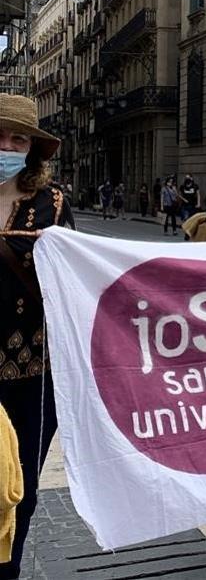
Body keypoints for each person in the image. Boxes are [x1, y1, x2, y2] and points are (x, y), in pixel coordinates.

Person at [0, 93, 74, 579]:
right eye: (0, 135)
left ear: (32, 149)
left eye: (19, 138)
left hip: (29, 377)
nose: (8, 145)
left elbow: (76, 283)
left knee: (17, 487)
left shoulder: (52, 203)